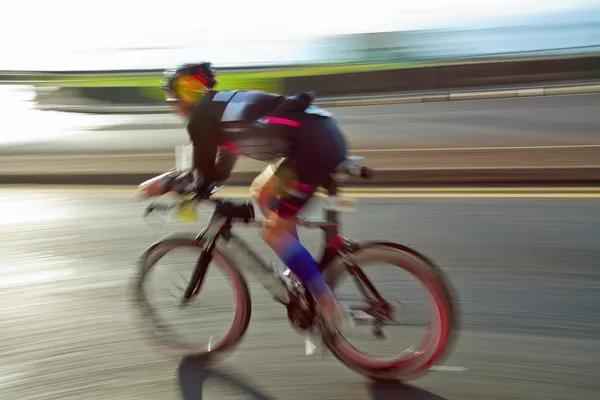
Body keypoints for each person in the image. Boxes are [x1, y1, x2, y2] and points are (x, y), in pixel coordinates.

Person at [142, 61, 348, 329]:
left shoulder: (202, 117)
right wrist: (189, 185)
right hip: (318, 135)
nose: (172, 104)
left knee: (274, 230)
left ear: (186, 92)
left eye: (173, 96)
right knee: (262, 193)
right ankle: (300, 272)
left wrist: (165, 183)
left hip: (314, 148)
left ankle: (326, 302)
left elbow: (201, 178)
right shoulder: (219, 110)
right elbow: (216, 175)